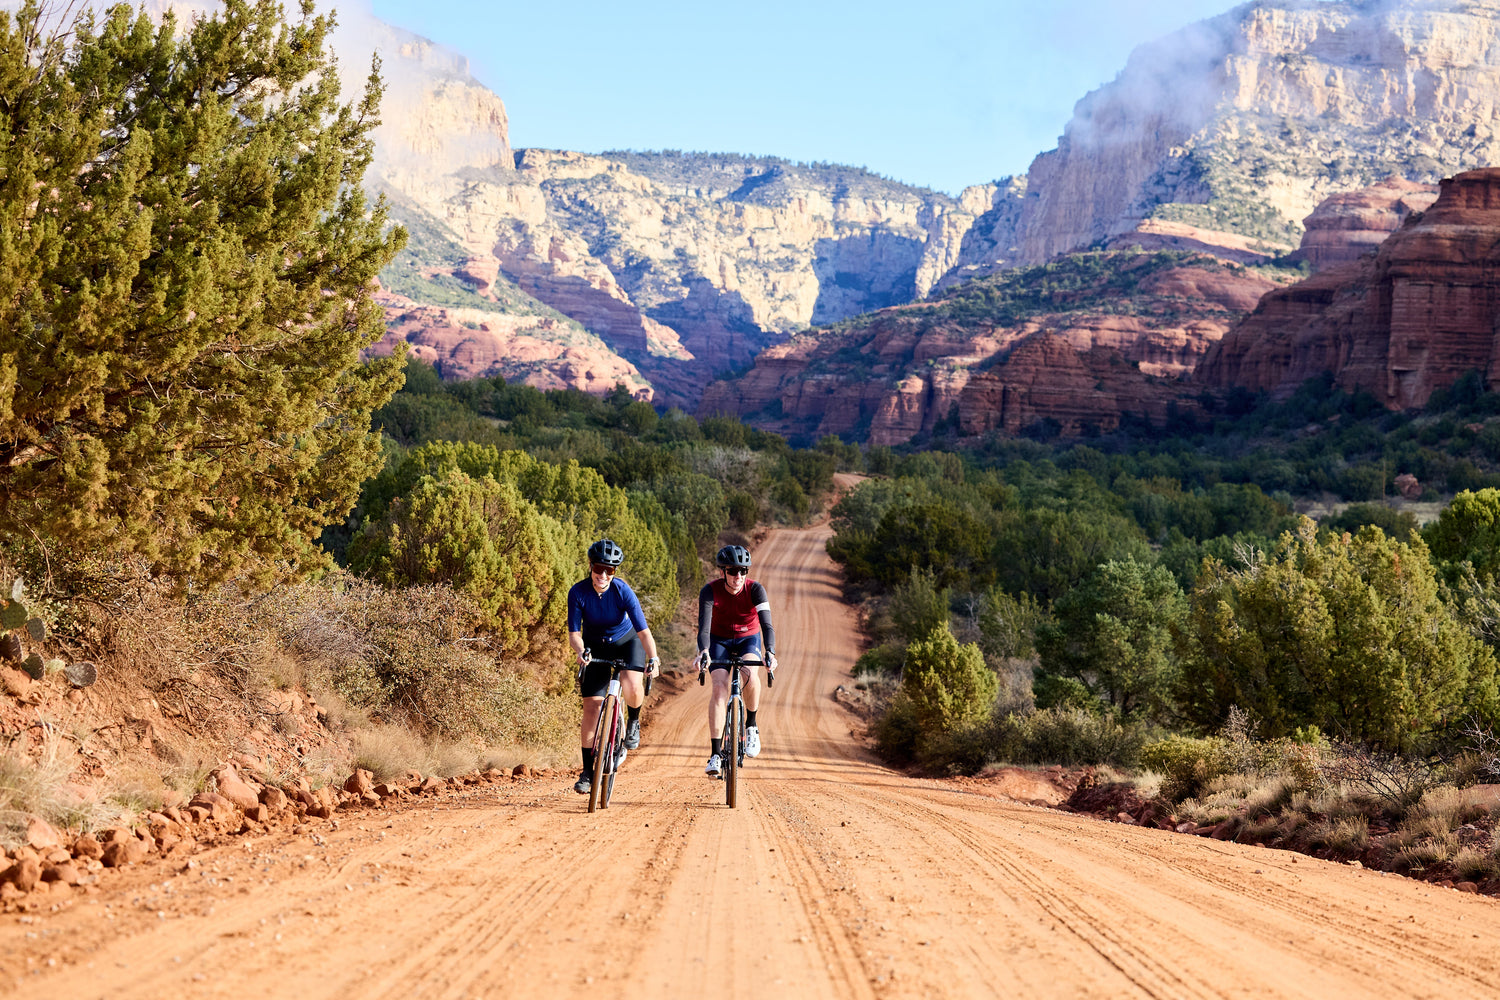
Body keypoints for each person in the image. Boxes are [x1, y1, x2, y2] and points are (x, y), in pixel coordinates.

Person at [567, 538, 661, 796]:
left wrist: (653, 658)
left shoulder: (622, 591)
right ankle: (587, 771)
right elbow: (575, 634)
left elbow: (643, 631)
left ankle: (632, 721)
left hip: (626, 642)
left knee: (631, 683)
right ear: (591, 566)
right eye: (599, 568)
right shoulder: (578, 592)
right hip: (594, 647)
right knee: (592, 707)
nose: (604, 575)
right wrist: (581, 650)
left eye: (610, 570)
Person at [695, 544, 778, 777]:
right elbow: (703, 628)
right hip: (718, 640)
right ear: (723, 572)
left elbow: (767, 625)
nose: (738, 576)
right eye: (733, 571)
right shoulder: (709, 591)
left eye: (743, 571)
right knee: (719, 688)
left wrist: (770, 651)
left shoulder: (756, 590)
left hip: (747, 639)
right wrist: (703, 651)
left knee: (750, 675)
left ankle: (751, 725)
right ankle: (715, 753)